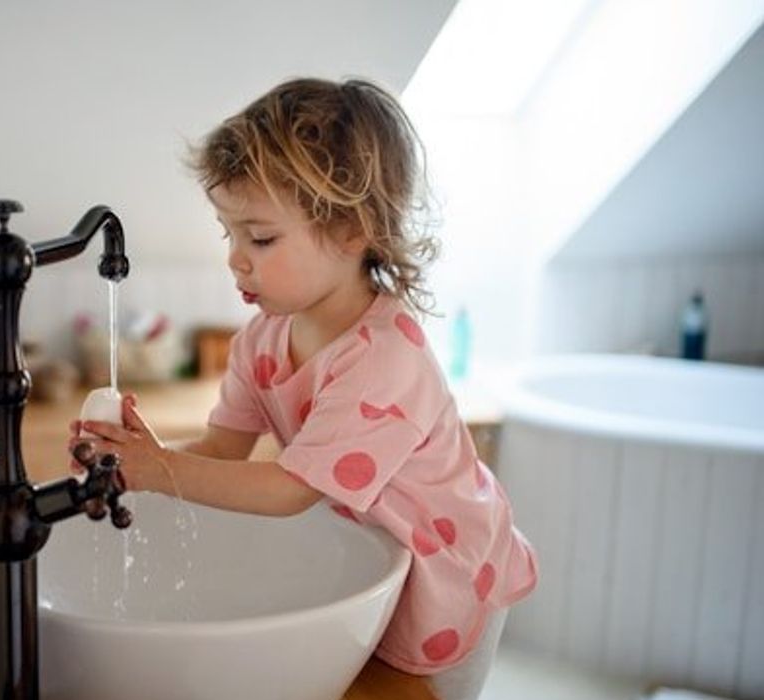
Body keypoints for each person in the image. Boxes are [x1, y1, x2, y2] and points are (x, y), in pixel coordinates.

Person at [69, 77, 537, 700]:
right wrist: (143, 452)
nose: (236, 258)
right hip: (368, 558)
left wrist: (157, 470)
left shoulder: (386, 358)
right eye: (227, 233)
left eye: (260, 238)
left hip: (448, 572)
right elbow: (223, 448)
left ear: (352, 231)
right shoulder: (262, 341)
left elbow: (292, 488)